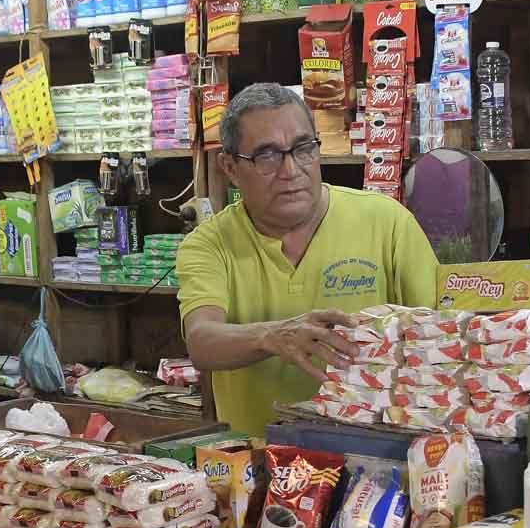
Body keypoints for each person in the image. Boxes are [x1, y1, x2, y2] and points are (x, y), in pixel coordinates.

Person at [177, 83, 440, 436]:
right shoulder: (209, 243)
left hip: (377, 455)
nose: (290, 170)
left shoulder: (388, 222)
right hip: (258, 460)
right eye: (267, 155)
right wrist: (273, 336)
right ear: (231, 168)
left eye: (303, 149)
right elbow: (201, 341)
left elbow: (440, 335)